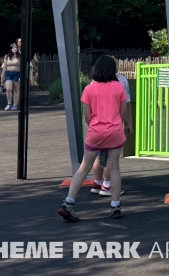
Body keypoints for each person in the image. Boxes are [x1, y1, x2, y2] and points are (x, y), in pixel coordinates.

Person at [58, 55, 130, 221]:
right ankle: (115, 206)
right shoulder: (118, 87)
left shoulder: (89, 89)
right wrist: (116, 123)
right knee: (114, 167)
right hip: (114, 131)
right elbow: (123, 112)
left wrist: (95, 126)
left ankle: (68, 203)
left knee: (84, 167)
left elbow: (87, 115)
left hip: (96, 131)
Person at [90, 56, 132, 197]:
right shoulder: (120, 82)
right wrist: (128, 123)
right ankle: (107, 185)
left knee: (98, 155)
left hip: (97, 126)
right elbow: (126, 105)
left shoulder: (94, 82)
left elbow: (88, 108)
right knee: (111, 159)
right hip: (113, 125)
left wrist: (92, 123)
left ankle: (97, 181)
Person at [0, 43, 22, 110]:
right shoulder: (7, 56)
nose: (14, 49)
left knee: (16, 89)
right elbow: (4, 67)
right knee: (8, 88)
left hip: (17, 73)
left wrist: (21, 76)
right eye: (13, 47)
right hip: (8, 73)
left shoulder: (20, 56)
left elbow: (22, 67)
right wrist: (2, 76)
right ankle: (9, 104)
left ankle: (15, 104)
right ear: (11, 49)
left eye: (16, 47)